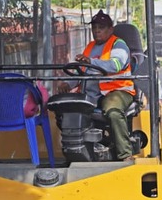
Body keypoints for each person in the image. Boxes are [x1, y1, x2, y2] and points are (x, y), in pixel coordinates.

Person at [55, 10, 135, 160]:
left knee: (113, 111)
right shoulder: (90, 47)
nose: (97, 30)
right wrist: (68, 83)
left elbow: (115, 65)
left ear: (111, 29)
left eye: (101, 27)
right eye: (94, 27)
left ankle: (125, 154)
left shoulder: (118, 45)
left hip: (116, 91)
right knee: (63, 109)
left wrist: (92, 61)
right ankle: (77, 151)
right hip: (91, 94)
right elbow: (82, 71)